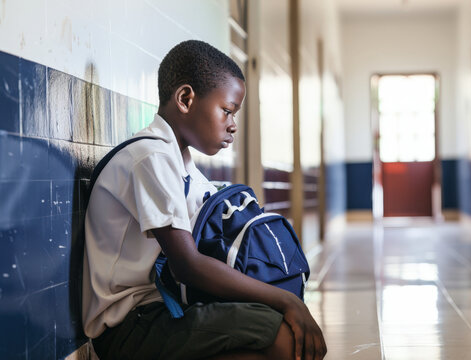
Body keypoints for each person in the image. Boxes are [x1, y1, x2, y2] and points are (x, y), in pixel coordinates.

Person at [82, 40, 326, 360]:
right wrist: (287, 301)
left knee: (277, 329)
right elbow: (188, 266)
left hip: (161, 309)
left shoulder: (178, 159)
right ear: (185, 99)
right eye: (227, 110)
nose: (233, 125)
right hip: (129, 327)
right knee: (284, 339)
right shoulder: (150, 157)